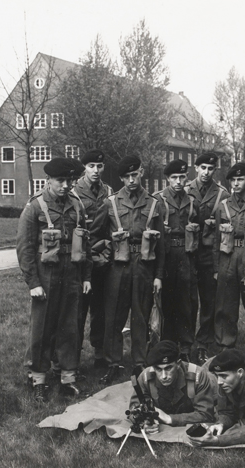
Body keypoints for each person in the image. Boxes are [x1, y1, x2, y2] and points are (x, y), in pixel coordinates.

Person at [16, 157, 92, 401]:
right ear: (48, 180)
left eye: (70, 181)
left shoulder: (77, 205)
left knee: (70, 325)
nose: (66, 186)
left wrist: (86, 276)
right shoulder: (35, 207)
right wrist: (33, 283)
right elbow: (25, 248)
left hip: (72, 273)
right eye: (61, 181)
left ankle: (68, 375)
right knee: (42, 326)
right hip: (46, 274)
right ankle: (38, 377)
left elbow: (86, 244)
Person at [91, 155, 165, 385]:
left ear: (142, 172)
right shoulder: (110, 203)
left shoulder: (154, 203)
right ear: (121, 178)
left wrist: (159, 276)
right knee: (114, 315)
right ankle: (114, 362)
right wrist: (104, 254)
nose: (132, 180)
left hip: (143, 266)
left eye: (135, 174)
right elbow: (95, 235)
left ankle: (140, 361)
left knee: (141, 315)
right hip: (118, 267)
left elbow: (162, 244)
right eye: (127, 176)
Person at [186, 153, 229, 365]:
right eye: (202, 167)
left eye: (210, 168)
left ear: (215, 170)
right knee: (187, 300)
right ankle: (185, 343)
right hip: (188, 253)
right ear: (195, 167)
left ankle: (203, 343)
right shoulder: (185, 190)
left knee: (209, 301)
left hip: (210, 254)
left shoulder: (222, 194)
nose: (206, 172)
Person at [72, 149, 113, 369]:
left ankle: (99, 354)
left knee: (101, 309)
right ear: (84, 168)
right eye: (91, 166)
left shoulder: (108, 191)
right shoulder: (74, 191)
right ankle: (73, 357)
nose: (95, 171)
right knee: (78, 309)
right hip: (81, 257)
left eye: (99, 166)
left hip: (102, 258)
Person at [155, 160, 199, 361]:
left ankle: (186, 348)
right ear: (167, 179)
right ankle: (167, 345)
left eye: (182, 177)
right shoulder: (158, 200)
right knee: (166, 301)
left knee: (187, 302)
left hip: (186, 255)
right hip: (166, 253)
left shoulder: (191, 201)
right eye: (174, 177)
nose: (179, 181)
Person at [213, 162, 245, 350]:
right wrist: (217, 268)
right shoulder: (223, 206)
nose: (236, 183)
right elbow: (217, 239)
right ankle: (226, 345)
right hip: (228, 256)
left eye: (240, 179)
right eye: (233, 180)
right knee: (225, 304)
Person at [129, 340, 216, 432]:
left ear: (178, 364)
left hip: (214, 387)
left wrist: (169, 419)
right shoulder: (146, 377)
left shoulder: (198, 376)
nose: (164, 376)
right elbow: (134, 409)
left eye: (168, 368)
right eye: (158, 369)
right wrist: (144, 423)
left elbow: (206, 415)